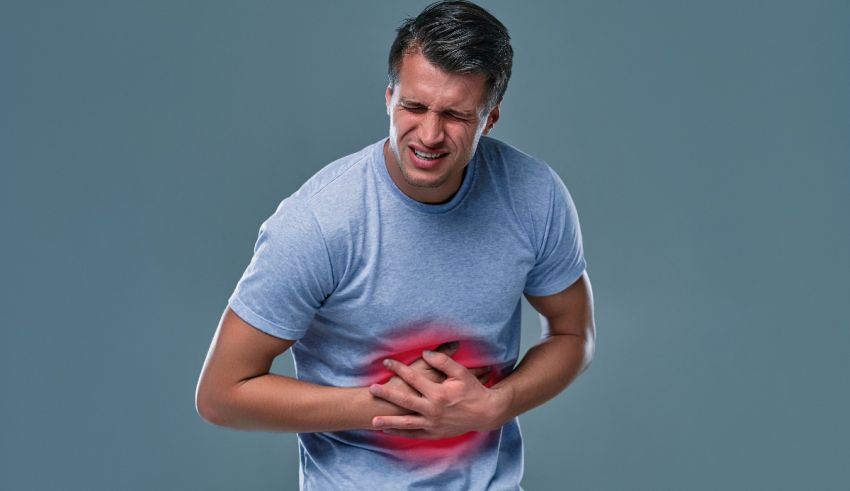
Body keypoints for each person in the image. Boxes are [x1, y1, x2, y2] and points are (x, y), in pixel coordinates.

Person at [195, 1, 595, 489]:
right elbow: (220, 394)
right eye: (414, 106)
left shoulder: (534, 194)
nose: (429, 134)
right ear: (388, 97)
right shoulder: (319, 223)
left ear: (489, 119)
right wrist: (396, 406)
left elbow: (574, 334)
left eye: (455, 115)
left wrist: (495, 405)